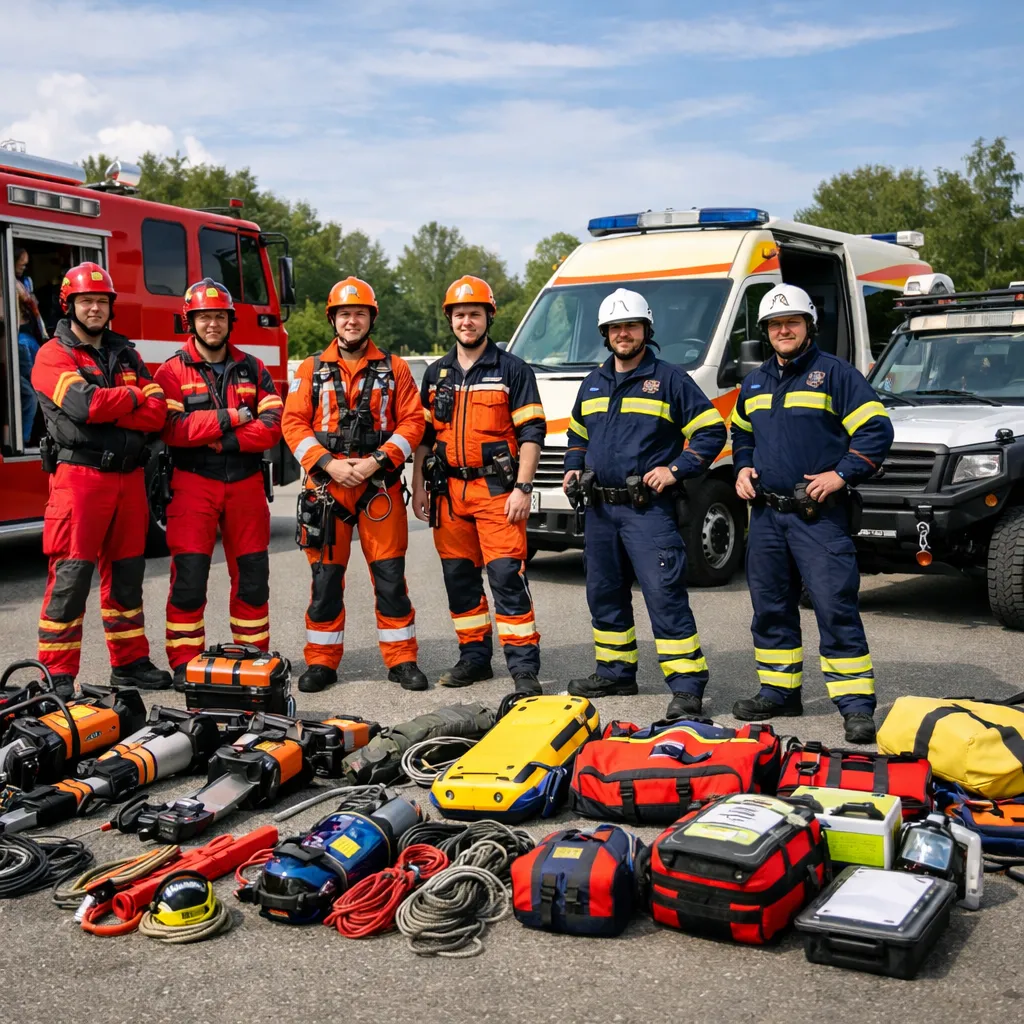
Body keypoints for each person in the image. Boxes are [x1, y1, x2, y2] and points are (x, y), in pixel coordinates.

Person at [730, 283, 894, 744]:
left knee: (834, 606)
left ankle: (856, 706)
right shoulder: (755, 381)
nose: (783, 330)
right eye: (775, 325)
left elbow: (876, 430)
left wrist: (841, 474)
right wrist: (742, 466)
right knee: (770, 607)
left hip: (817, 516)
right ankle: (780, 692)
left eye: (792, 323)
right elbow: (741, 431)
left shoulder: (836, 375)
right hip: (767, 515)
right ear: (766, 331)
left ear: (809, 326)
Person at [562, 288, 727, 718]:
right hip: (600, 510)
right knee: (604, 594)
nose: (623, 334)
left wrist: (676, 469)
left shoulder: (670, 380)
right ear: (605, 333)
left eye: (631, 326)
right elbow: (577, 434)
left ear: (645, 330)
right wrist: (573, 467)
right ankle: (615, 672)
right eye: (615, 328)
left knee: (664, 595)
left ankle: (687, 686)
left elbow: (711, 431)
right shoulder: (593, 382)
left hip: (647, 510)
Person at [30, 262, 170, 697]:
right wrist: (133, 397)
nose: (94, 308)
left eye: (102, 301)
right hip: (80, 480)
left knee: (127, 576)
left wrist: (117, 404)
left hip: (128, 479)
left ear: (111, 306)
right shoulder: (53, 355)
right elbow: (83, 406)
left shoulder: (125, 353)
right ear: (69, 305)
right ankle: (57, 674)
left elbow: (158, 411)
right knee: (70, 580)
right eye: (86, 301)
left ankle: (130, 663)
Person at [282, 277, 428, 693]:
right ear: (333, 319)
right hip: (326, 491)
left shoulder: (395, 369)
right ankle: (321, 661)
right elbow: (292, 423)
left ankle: (401, 659)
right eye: (344, 314)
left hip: (378, 488)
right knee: (325, 582)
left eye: (359, 313)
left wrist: (375, 462)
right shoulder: (310, 369)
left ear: (371, 318)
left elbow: (413, 423)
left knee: (390, 578)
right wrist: (328, 464)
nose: (352, 321)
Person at [411, 277, 544, 693]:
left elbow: (532, 433)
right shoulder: (436, 373)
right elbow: (424, 438)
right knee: (459, 579)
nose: (466, 321)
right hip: (448, 493)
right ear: (450, 319)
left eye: (474, 313)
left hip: (497, 492)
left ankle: (524, 667)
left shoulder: (512, 370)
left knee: (506, 576)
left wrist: (523, 488)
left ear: (489, 317)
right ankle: (474, 659)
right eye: (459, 314)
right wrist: (419, 486)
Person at [154, 279, 284, 683]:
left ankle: (253, 655)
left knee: (253, 577)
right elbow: (172, 429)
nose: (213, 324)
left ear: (230, 321)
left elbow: (273, 426)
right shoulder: (171, 371)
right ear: (190, 321)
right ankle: (185, 662)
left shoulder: (254, 368)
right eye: (204, 317)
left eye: (219, 317)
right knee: (189, 578)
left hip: (246, 482)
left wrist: (220, 438)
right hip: (192, 484)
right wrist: (231, 417)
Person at [15, 248, 46, 446]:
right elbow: (28, 302)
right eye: (22, 264)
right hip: (23, 340)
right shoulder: (13, 283)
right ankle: (26, 439)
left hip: (29, 338)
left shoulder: (22, 282)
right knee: (32, 393)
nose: (24, 267)